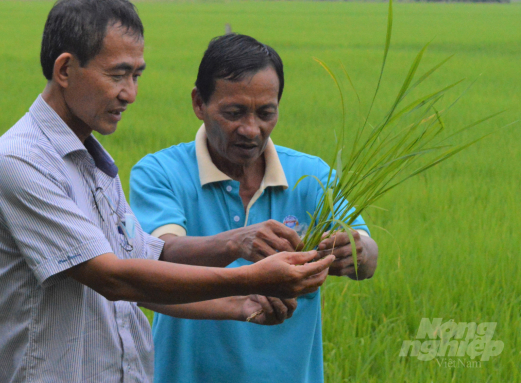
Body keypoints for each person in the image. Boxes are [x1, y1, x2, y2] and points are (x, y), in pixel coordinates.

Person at [0, 0, 336, 383]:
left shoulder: (92, 163)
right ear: (65, 70)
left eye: (136, 75)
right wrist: (253, 277)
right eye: (117, 74)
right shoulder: (19, 162)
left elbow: (145, 264)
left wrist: (239, 283)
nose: (130, 93)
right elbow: (115, 279)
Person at [130, 33, 379, 383]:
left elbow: (367, 254)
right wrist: (236, 242)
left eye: (266, 113)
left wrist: (354, 250)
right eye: (234, 113)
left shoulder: (312, 177)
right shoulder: (160, 172)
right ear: (199, 103)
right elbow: (158, 254)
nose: (251, 129)